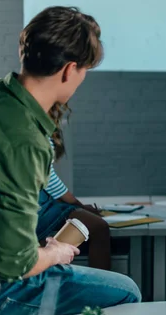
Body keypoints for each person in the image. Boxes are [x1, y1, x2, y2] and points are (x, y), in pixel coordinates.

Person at [0, 6, 141, 315]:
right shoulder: (27, 142)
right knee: (126, 292)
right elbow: (15, 265)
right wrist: (55, 253)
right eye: (85, 71)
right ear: (69, 70)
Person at [35, 103, 112, 270]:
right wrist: (78, 204)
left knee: (96, 226)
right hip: (39, 205)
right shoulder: (34, 128)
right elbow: (49, 178)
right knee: (98, 226)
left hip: (45, 202)